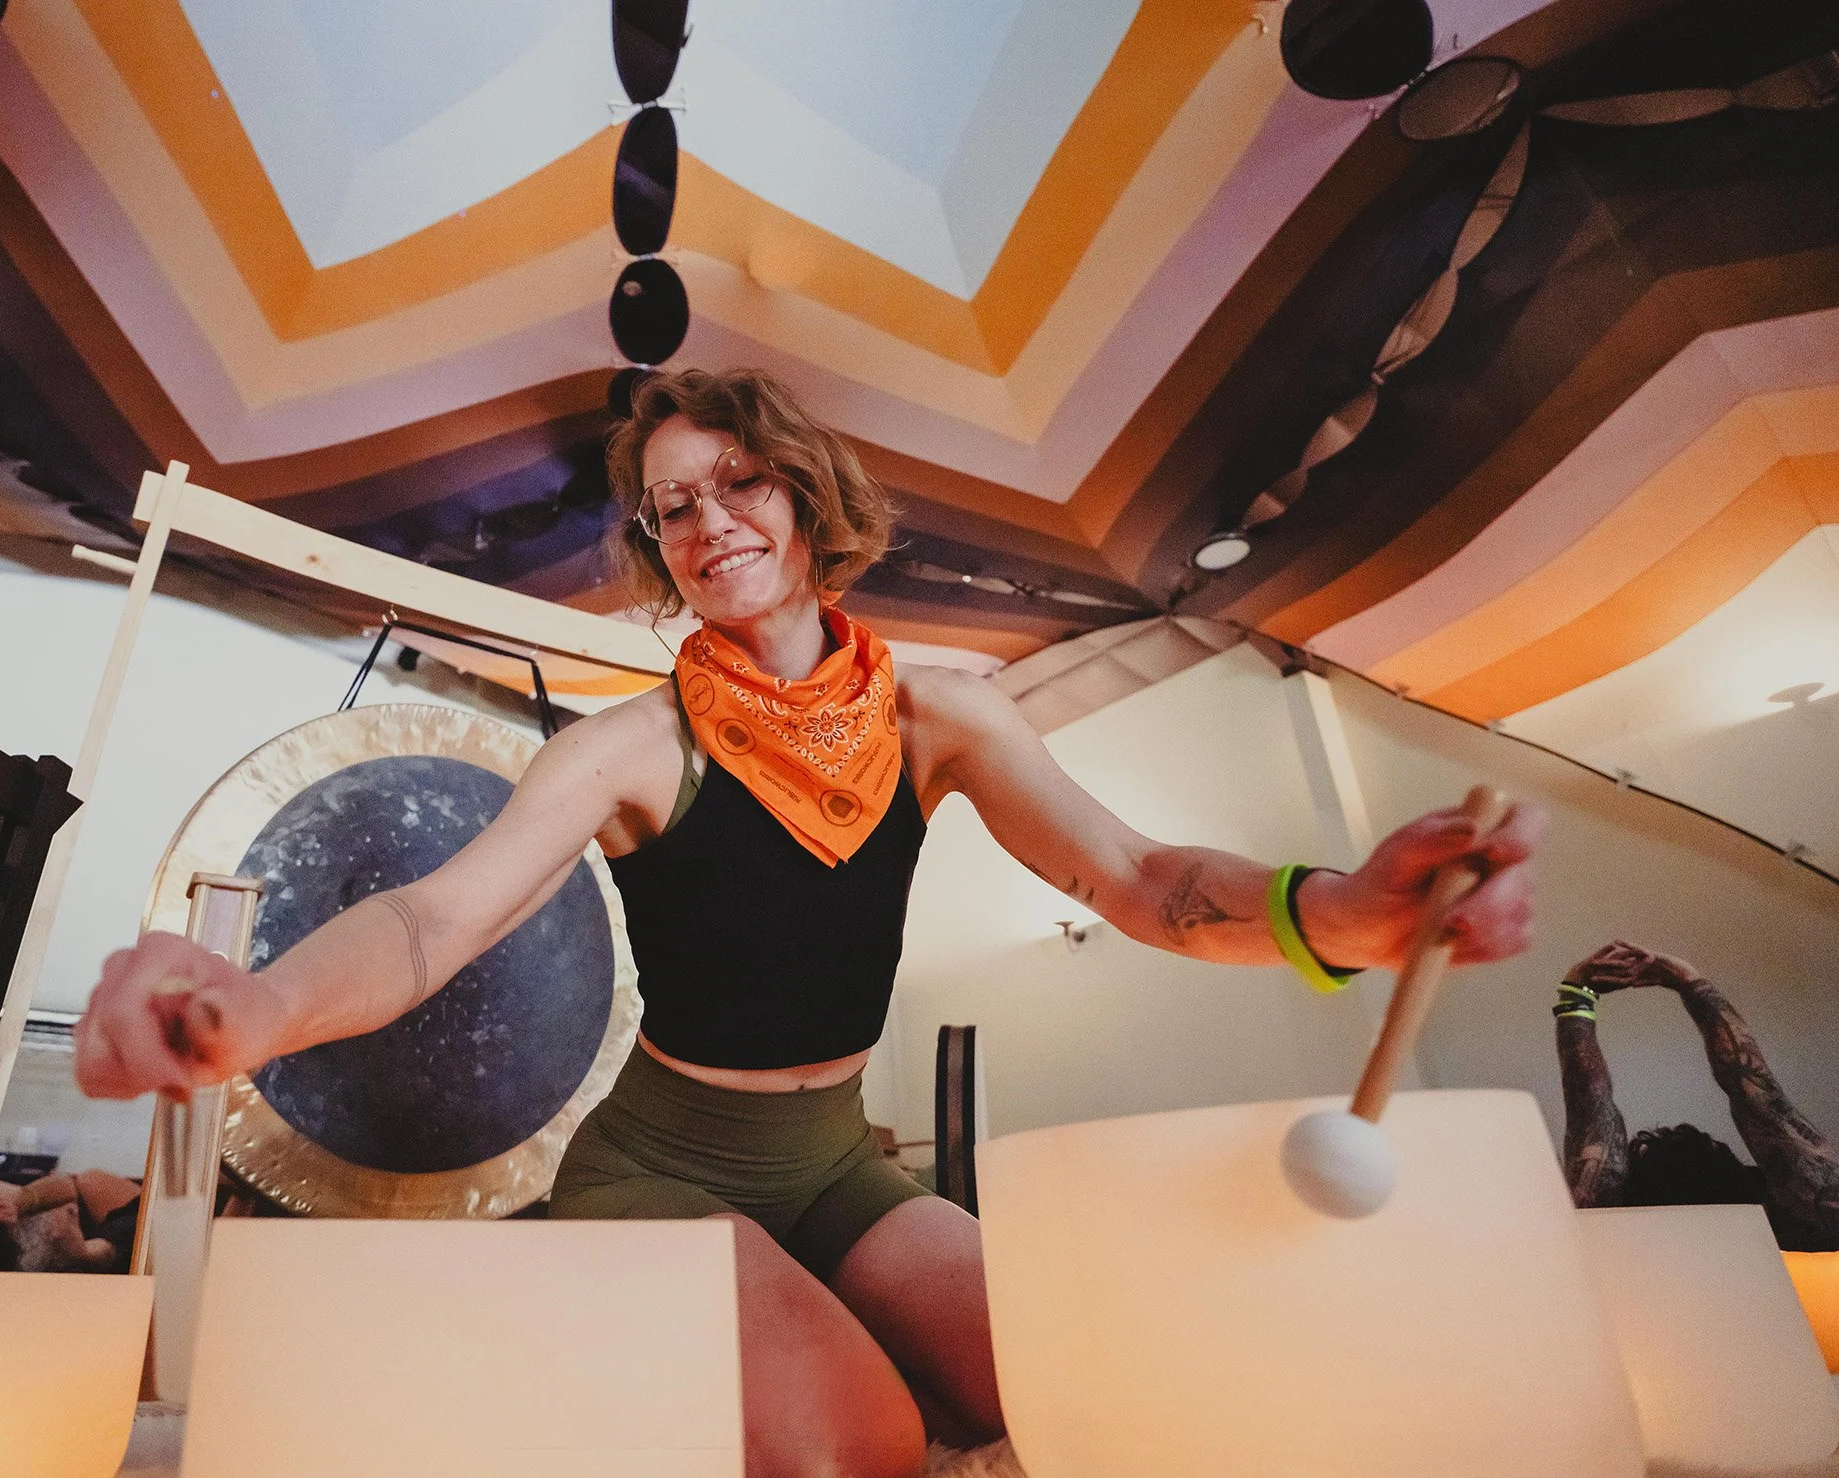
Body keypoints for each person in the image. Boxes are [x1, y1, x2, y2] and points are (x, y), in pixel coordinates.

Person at [74, 367, 1542, 1478]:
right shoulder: (630, 746)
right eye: (672, 506)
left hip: (836, 1161)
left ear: (802, 496)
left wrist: (1347, 909)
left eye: (737, 482)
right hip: (656, 1167)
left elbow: (1138, 879)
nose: (706, 521)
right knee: (862, 1444)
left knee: (1071, 1388)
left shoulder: (941, 715)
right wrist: (256, 1008)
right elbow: (430, 923)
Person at [1555, 939, 1838, 1251]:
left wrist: (1576, 996)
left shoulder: (1609, 1235)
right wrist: (1690, 982)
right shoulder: (1781, 1228)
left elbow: (1590, 1108)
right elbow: (1761, 1100)